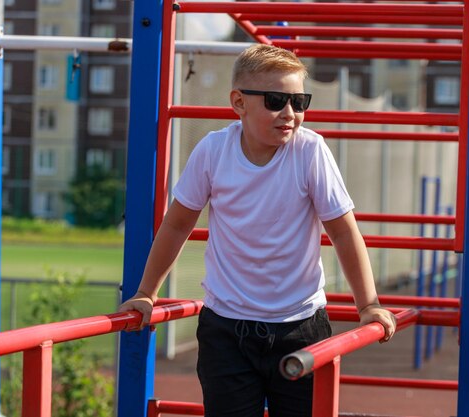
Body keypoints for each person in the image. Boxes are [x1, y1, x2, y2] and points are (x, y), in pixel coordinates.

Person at [118, 44, 396, 417]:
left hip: (300, 326)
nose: (290, 114)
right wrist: (146, 293)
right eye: (276, 100)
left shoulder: (309, 152)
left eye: (299, 102)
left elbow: (343, 232)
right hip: (227, 329)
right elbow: (177, 223)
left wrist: (368, 305)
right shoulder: (214, 151)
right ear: (239, 102)